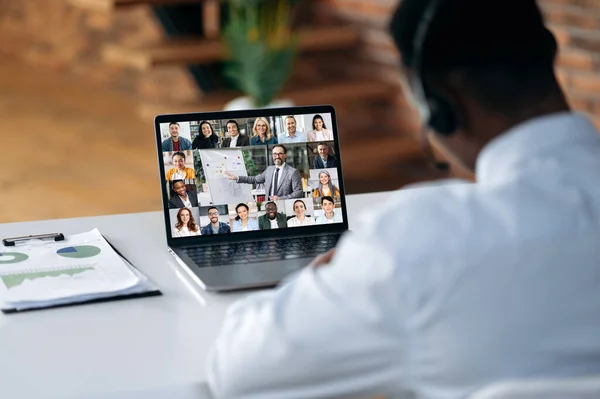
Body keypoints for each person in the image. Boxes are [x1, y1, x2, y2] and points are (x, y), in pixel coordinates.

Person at [205, 1, 600, 398]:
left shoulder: (417, 245)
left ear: (441, 105)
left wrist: (322, 277)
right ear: (548, 54)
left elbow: (238, 371)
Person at [225, 144, 303, 200]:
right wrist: (237, 177)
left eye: (280, 154)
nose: (277, 156)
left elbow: (298, 193)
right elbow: (254, 179)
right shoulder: (269, 169)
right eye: (275, 154)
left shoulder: (293, 172)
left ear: (285, 155)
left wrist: (281, 198)